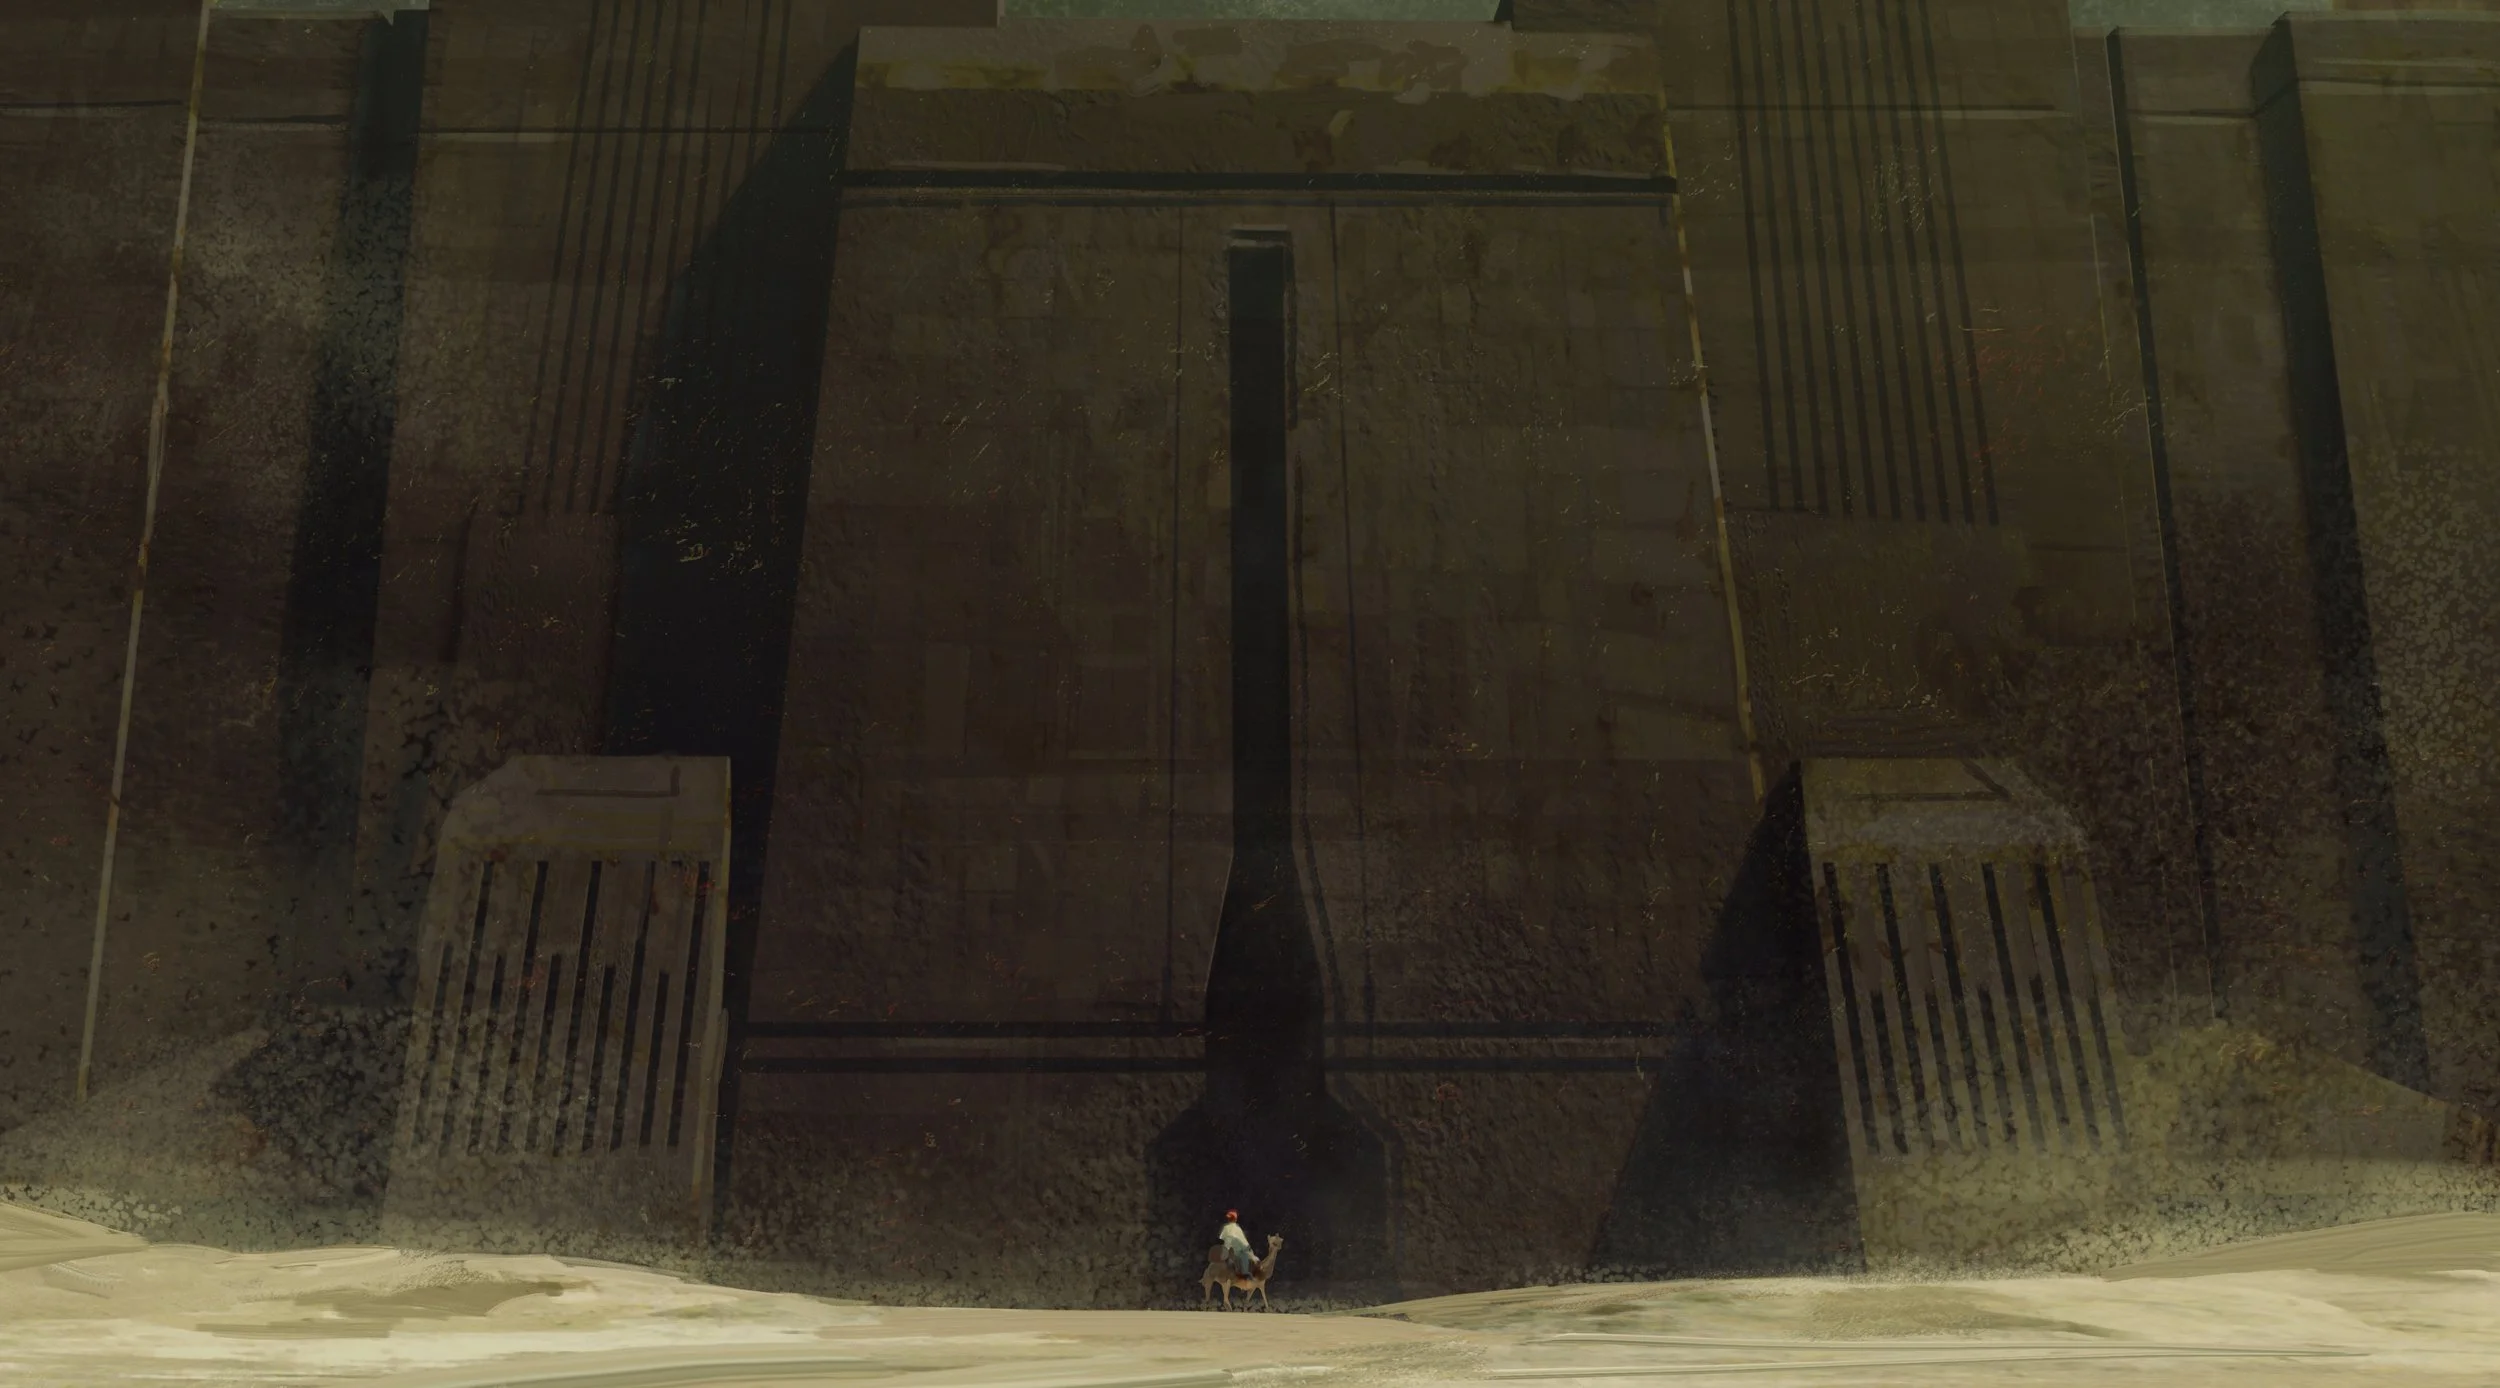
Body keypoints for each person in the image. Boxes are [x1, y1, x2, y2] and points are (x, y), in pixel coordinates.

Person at [1218, 1209, 1255, 1278]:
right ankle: (1245, 1273)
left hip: (1228, 1249)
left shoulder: (1226, 1228)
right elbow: (1243, 1242)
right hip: (1237, 1250)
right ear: (1235, 1219)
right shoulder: (1237, 1228)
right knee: (1245, 1256)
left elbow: (1223, 1239)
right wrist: (1248, 1248)